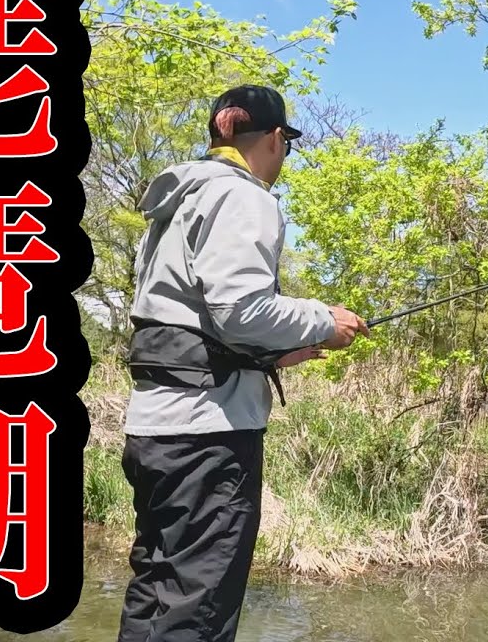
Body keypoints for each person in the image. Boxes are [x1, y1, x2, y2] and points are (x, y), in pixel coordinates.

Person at [116, 84, 368, 642]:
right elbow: (240, 309)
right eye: (286, 145)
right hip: (207, 441)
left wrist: (282, 350)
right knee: (198, 609)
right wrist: (326, 320)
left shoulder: (177, 204)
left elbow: (191, 322)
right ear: (276, 139)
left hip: (155, 434)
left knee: (156, 592)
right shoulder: (243, 196)